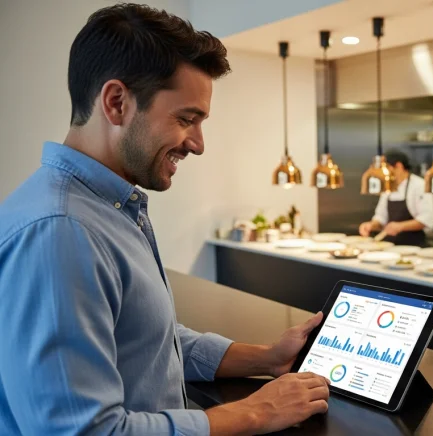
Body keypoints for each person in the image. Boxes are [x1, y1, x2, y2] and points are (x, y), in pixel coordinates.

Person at [0, 5, 329, 435]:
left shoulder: (106, 208)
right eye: (186, 119)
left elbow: (144, 342)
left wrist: (265, 358)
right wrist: (257, 411)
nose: (198, 144)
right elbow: (84, 432)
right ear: (117, 103)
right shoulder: (61, 231)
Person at [359, 149, 433, 247]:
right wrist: (371, 225)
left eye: (386, 168)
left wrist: (400, 226)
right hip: (389, 246)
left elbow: (427, 219)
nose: (383, 173)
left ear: (399, 166)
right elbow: (381, 217)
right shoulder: (387, 185)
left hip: (414, 246)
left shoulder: (420, 185)